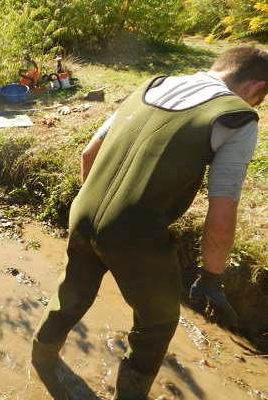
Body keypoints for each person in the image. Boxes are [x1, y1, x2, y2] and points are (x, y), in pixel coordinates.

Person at [31, 46, 266, 400]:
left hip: (83, 210)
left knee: (72, 294)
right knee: (157, 322)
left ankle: (43, 359)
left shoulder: (152, 85)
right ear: (255, 88)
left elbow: (89, 153)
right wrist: (212, 278)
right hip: (136, 234)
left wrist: (93, 213)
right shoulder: (235, 117)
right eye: (262, 98)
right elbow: (222, 211)